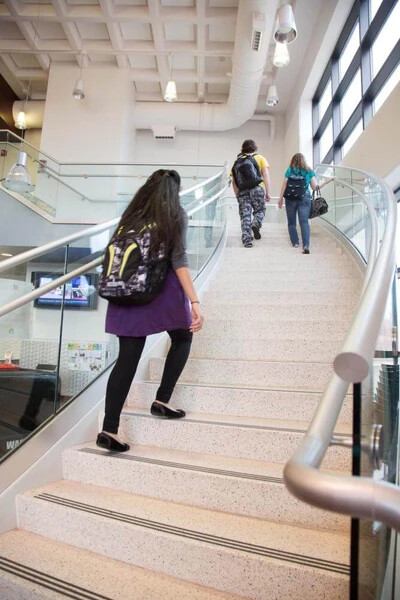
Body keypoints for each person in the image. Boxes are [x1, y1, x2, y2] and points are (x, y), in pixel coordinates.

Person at [96, 169, 203, 453]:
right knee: (183, 338)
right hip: (158, 292)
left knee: (127, 361)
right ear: (174, 191)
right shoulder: (175, 214)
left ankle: (109, 429)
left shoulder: (132, 215)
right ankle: (162, 400)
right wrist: (194, 301)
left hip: (124, 294)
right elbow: (178, 259)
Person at [278, 153, 332, 254]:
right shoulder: (308, 171)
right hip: (304, 198)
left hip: (290, 198)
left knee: (291, 222)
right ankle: (306, 245)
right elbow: (315, 187)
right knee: (304, 222)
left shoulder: (290, 170)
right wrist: (326, 182)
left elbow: (284, 185)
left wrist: (280, 199)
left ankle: (295, 243)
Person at [231, 139, 271, 248]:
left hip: (243, 191)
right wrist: (268, 192)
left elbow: (234, 182)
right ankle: (256, 223)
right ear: (255, 148)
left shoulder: (237, 162)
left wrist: (237, 195)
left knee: (245, 215)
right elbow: (266, 175)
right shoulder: (260, 158)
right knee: (260, 210)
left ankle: (247, 240)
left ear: (242, 149)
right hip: (257, 188)